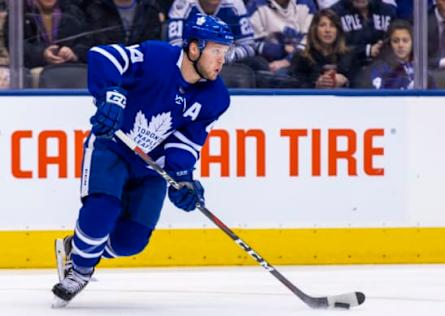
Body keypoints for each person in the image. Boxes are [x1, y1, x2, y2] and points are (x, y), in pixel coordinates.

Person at [51, 13, 234, 307]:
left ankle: (78, 248)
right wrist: (109, 95)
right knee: (103, 208)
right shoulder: (156, 57)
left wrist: (183, 178)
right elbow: (103, 56)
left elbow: (186, 141)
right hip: (113, 146)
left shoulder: (216, 97)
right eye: (216, 50)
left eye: (225, 52)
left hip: (153, 166)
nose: (221, 60)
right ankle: (80, 270)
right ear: (195, 48)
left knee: (130, 242)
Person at [330, 0, 396, 86]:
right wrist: (367, 50)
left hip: (384, 71)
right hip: (348, 72)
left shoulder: (388, 11)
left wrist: (384, 46)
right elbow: (333, 47)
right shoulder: (336, 12)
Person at [247, 0, 317, 74]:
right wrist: (282, 49)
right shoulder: (256, 5)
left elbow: (310, 38)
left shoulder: (306, 3)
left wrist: (289, 60)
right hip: (268, 59)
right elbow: (252, 44)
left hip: (301, 57)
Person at [290, 9, 354, 88]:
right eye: (322, 25)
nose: (327, 30)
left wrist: (345, 81)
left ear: (338, 31)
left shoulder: (349, 56)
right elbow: (294, 87)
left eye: (332, 26)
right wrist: (316, 85)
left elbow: (360, 84)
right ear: (314, 29)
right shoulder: (301, 57)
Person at [81, 0, 164, 47]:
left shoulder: (149, 9)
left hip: (141, 68)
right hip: (107, 67)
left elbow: (154, 43)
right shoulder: (93, 8)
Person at [369, 19, 415, 89]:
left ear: (412, 43)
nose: (400, 45)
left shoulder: (421, 68)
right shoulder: (380, 68)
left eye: (405, 41)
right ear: (389, 43)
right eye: (396, 41)